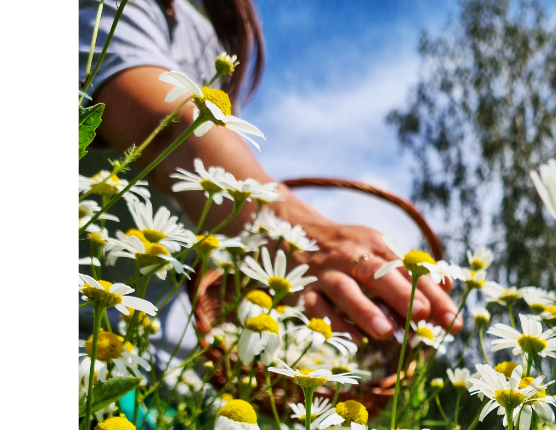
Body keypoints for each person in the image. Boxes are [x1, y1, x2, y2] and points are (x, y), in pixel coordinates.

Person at [78, 0, 460, 358]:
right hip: (88, 346)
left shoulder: (210, 34)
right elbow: (168, 131)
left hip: (171, 369)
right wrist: (302, 238)